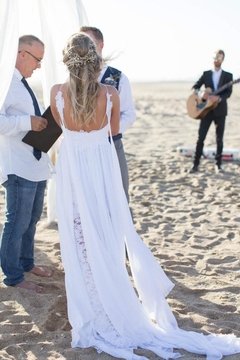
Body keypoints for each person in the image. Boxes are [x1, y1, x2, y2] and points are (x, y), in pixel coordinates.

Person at [50, 32, 240, 360]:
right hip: (102, 166)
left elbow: (63, 127)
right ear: (95, 60)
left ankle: (90, 303)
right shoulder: (109, 93)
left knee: (78, 231)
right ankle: (111, 295)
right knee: (108, 230)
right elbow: (111, 130)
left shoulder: (56, 94)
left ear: (67, 60)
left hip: (74, 171)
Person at [0, 35, 53, 293]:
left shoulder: (23, 84)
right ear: (22, 53)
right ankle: (13, 277)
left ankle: (26, 263)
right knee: (17, 222)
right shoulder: (4, 82)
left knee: (31, 220)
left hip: (36, 164)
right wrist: (27, 123)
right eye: (37, 59)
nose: (39, 66)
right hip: (18, 165)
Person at [80, 26, 136, 202]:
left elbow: (129, 114)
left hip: (112, 144)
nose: (86, 48)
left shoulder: (118, 77)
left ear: (101, 44)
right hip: (84, 148)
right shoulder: (75, 78)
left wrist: (109, 130)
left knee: (119, 196)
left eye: (90, 43)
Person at [189, 49, 233, 174]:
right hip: (206, 111)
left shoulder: (228, 76)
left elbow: (228, 93)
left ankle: (218, 165)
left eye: (219, 58)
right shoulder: (206, 74)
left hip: (220, 112)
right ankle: (195, 164)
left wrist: (219, 98)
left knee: (219, 139)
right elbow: (195, 87)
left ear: (222, 60)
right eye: (215, 57)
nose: (216, 60)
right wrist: (202, 93)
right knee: (201, 138)